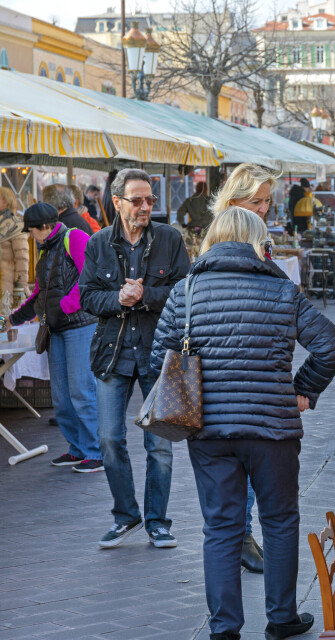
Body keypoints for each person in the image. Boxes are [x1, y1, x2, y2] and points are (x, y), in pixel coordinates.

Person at [151, 207, 335, 640]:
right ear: (259, 244)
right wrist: (302, 389)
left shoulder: (187, 291)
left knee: (221, 527)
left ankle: (224, 629)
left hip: (209, 430)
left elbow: (157, 362)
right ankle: (281, 619)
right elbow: (330, 344)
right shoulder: (282, 290)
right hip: (273, 427)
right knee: (279, 521)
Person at [79, 168, 191, 549]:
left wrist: (143, 296)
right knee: (109, 438)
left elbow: (184, 291)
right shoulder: (98, 244)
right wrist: (118, 299)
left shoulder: (170, 239)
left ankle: (157, 521)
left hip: (158, 352)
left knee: (159, 444)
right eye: (138, 200)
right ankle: (126, 515)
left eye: (150, 200)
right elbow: (87, 298)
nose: (146, 207)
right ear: (117, 203)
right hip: (112, 353)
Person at [209, 161, 284, 573]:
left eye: (267, 201)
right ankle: (238, 534)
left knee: (246, 467)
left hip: (255, 366)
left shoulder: (261, 239)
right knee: (239, 465)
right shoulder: (222, 238)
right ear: (235, 201)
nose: (263, 209)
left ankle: (239, 533)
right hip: (229, 369)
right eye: (256, 201)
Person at [5, 203, 102, 472]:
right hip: (57, 329)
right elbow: (38, 295)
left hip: (79, 327)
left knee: (82, 391)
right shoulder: (45, 250)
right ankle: (77, 449)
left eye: (31, 231)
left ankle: (96, 452)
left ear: (43, 227)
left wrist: (63, 308)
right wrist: (11, 319)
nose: (30, 235)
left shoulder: (76, 238)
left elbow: (89, 280)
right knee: (61, 396)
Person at [0, 187, 30, 295]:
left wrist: (21, 287)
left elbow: (22, 259)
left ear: (6, 202)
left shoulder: (16, 226)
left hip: (7, 285)